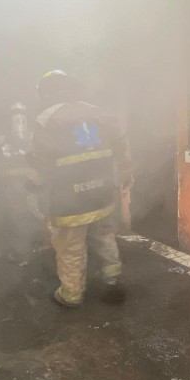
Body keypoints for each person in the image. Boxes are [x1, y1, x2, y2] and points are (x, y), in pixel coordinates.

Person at [29, 70, 132, 307]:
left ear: (47, 93)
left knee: (71, 247)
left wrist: (33, 187)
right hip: (102, 193)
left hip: (69, 199)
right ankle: (112, 279)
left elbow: (40, 162)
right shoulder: (98, 113)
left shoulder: (48, 119)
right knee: (105, 236)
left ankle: (71, 295)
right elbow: (121, 146)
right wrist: (126, 174)